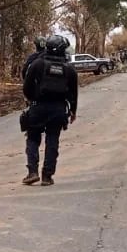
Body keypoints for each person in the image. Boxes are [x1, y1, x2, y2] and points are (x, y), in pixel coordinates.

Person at [21, 34, 78, 186]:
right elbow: (73, 92)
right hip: (59, 109)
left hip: (38, 107)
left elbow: (26, 87)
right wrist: (73, 111)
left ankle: (32, 172)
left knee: (33, 138)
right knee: (53, 140)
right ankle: (47, 176)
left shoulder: (38, 64)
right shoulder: (69, 69)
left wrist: (33, 99)